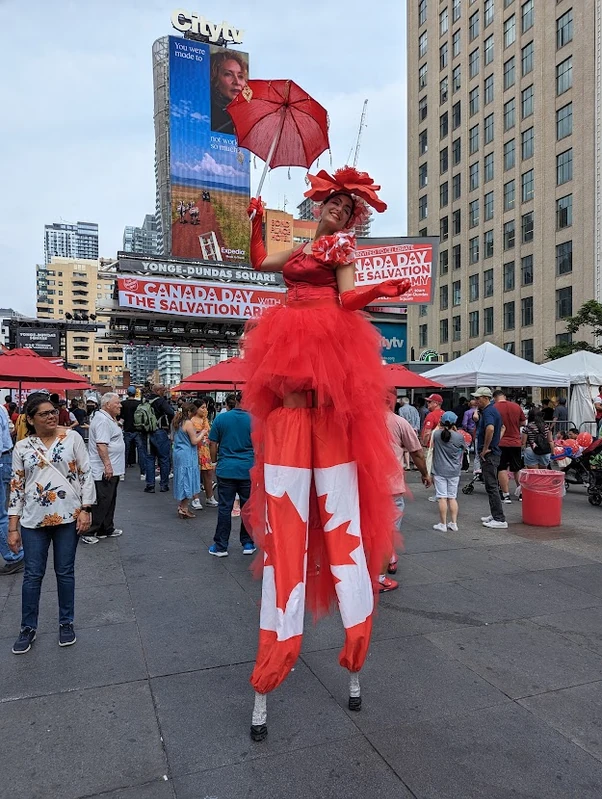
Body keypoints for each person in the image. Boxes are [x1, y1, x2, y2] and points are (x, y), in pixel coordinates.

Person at [243, 166, 410, 740]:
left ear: (353, 216)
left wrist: (382, 290)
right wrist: (257, 221)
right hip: (289, 358)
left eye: (348, 206)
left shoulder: (340, 248)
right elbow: (261, 259)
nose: (339, 210)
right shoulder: (296, 241)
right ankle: (270, 669)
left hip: (328, 355)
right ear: (319, 202)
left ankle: (356, 649)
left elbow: (348, 295)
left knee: (345, 532)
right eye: (333, 202)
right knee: (285, 536)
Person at [8, 394, 96, 653]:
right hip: (33, 520)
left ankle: (66, 622)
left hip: (68, 517)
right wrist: (12, 528)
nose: (51, 416)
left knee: (65, 572)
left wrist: (86, 509)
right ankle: (27, 627)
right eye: (44, 413)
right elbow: (16, 487)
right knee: (33, 575)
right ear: (31, 419)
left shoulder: (73, 438)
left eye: (54, 411)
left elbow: (85, 473)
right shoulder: (22, 447)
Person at [384, 387, 431, 585]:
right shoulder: (399, 422)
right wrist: (425, 474)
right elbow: (417, 452)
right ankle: (389, 558)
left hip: (363, 484)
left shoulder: (361, 420)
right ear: (392, 400)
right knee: (391, 525)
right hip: (391, 484)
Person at [208, 392, 255, 556]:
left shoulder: (221, 419)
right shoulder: (255, 420)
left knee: (224, 507)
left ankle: (221, 546)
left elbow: (212, 443)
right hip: (248, 469)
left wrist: (214, 461)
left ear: (235, 401)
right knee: (248, 508)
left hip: (226, 468)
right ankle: (248, 543)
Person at [83, 393, 125, 544]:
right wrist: (107, 465)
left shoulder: (108, 419)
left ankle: (106, 528)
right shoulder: (102, 420)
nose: (120, 406)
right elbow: (101, 445)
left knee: (110, 499)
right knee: (102, 500)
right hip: (104, 468)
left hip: (113, 467)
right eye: (117, 403)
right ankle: (90, 530)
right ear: (107, 405)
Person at [473, 387, 507, 529]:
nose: (476, 401)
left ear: (486, 398)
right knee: (490, 484)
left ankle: (499, 518)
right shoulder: (489, 411)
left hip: (489, 453)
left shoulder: (488, 412)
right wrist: (495, 443)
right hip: (492, 451)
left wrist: (487, 447)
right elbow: (503, 427)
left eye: (478, 398)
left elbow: (491, 428)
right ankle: (495, 514)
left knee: (491, 485)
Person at [431, 411, 467, 532]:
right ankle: (454, 523)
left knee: (442, 497)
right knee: (452, 498)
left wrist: (438, 426)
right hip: (454, 471)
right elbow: (464, 448)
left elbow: (430, 441)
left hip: (439, 470)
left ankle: (443, 524)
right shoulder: (459, 436)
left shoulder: (436, 434)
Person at [0, 403, 23, 574]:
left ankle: (14, 555)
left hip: (2, 459)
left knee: (1, 513)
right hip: (4, 458)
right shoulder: (1, 408)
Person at [493, 390, 526, 504]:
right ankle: (521, 493)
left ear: (494, 398)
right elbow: (523, 422)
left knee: (501, 468)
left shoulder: (494, 407)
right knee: (517, 468)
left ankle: (505, 495)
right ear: (505, 397)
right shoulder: (516, 406)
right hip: (515, 441)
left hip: (501, 442)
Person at [172, 403, 204, 519]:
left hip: (178, 453)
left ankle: (181, 505)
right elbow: (194, 441)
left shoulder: (176, 421)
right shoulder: (188, 423)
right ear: (190, 412)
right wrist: (203, 433)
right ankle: (184, 508)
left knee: (181, 478)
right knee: (187, 479)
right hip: (187, 454)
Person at [143, 384, 174, 493]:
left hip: (147, 432)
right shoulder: (161, 401)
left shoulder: (145, 400)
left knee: (150, 458)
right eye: (163, 390)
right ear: (158, 390)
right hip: (160, 431)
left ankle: (150, 485)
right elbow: (171, 413)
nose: (165, 392)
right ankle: (164, 485)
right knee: (164, 458)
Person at [210, 49, 248, 134]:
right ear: (214, 78)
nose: (237, 82)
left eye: (240, 76)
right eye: (228, 74)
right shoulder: (205, 113)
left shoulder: (247, 117)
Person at [191, 398, 218, 509]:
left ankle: (209, 496)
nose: (205, 410)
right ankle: (195, 498)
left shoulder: (205, 419)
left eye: (205, 407)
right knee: (195, 474)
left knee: (208, 473)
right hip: (196, 448)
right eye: (202, 407)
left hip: (206, 449)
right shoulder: (192, 420)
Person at [120, 387, 146, 480]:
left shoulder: (123, 404)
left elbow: (120, 417)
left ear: (127, 393)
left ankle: (122, 473)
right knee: (141, 452)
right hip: (138, 430)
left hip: (126, 429)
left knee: (125, 452)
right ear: (135, 394)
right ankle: (143, 473)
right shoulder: (139, 404)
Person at [398, 396, 421, 470]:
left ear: (402, 402)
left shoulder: (401, 409)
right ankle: (415, 464)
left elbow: (401, 419)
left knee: (406, 448)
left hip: (406, 430)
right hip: (414, 429)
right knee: (414, 447)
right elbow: (418, 418)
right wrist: (417, 428)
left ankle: (407, 465)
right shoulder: (414, 409)